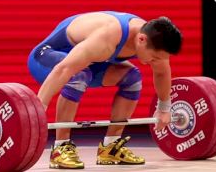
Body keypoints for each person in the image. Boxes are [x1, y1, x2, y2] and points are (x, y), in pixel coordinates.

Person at [27, 11, 182, 169]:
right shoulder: (107, 36)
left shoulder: (155, 40)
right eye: (154, 58)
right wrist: (38, 110)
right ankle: (61, 147)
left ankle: (111, 147)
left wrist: (164, 108)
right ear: (141, 39)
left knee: (132, 78)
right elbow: (63, 69)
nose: (154, 62)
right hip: (45, 59)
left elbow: (162, 72)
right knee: (78, 75)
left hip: (85, 63)